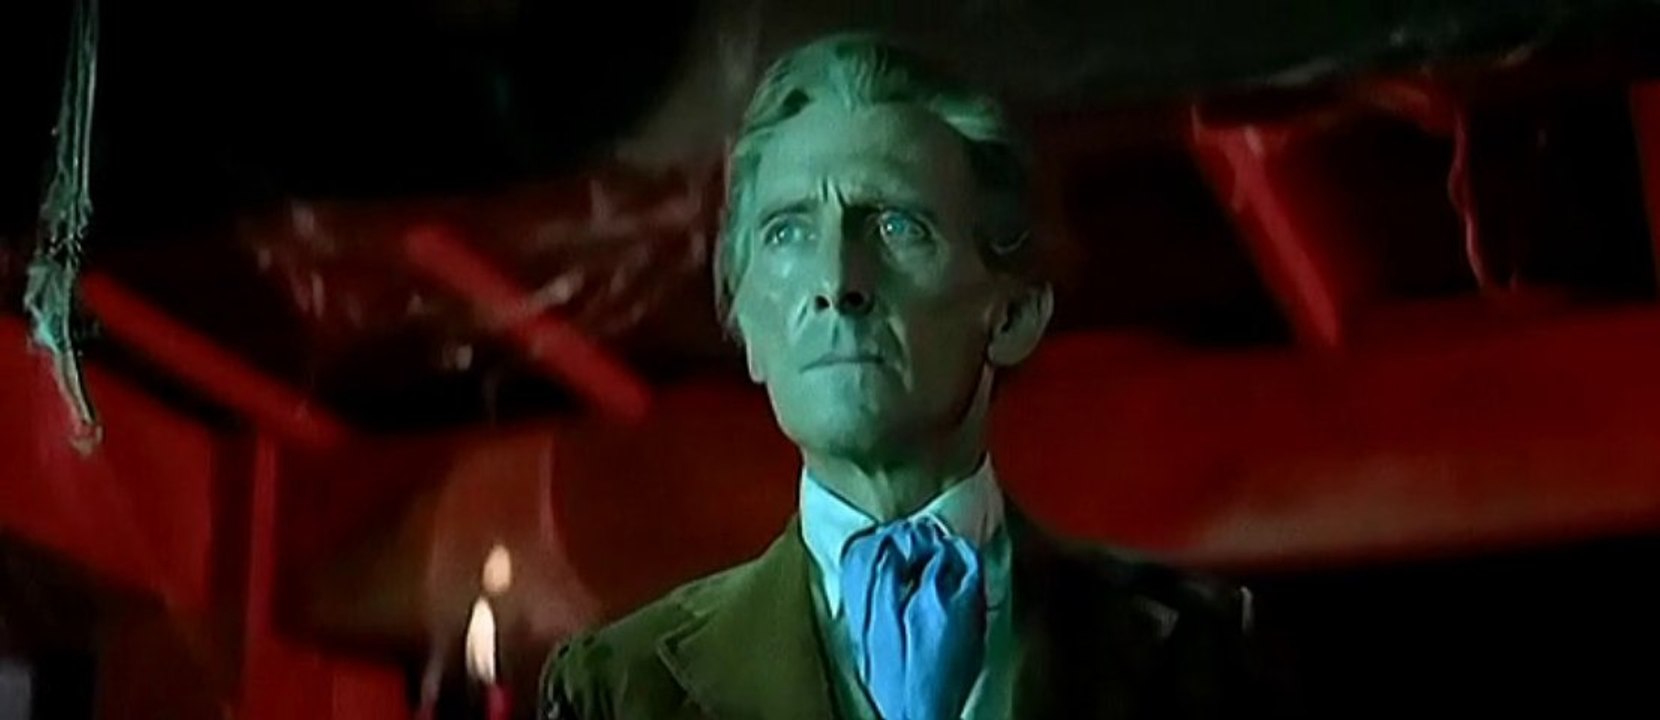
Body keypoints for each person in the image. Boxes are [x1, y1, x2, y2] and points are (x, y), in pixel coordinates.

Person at [541, 32, 1261, 720]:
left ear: (1012, 314)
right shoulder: (615, 691)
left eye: (896, 226)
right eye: (788, 232)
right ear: (748, 327)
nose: (836, 282)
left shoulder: (1205, 651)